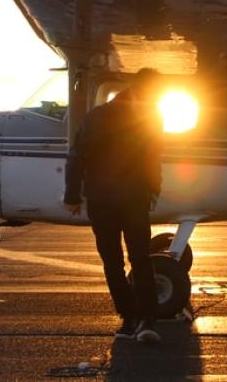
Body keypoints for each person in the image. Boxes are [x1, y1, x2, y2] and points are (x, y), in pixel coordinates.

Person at [64, 68, 163, 343]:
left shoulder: (97, 116)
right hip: (133, 200)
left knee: (113, 262)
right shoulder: (151, 117)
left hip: (103, 199)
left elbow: (76, 156)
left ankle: (129, 317)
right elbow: (153, 157)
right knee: (140, 259)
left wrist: (72, 195)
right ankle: (147, 318)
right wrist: (153, 189)